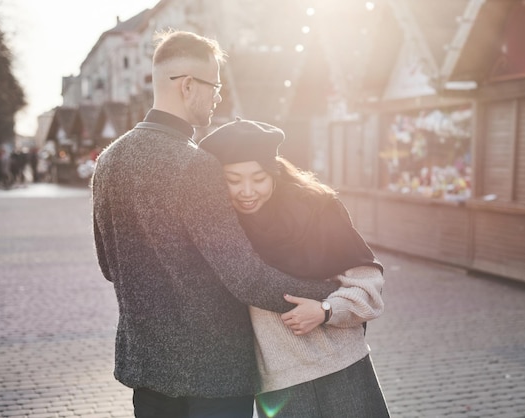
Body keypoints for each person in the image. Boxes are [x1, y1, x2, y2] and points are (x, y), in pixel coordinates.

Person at [90, 30, 339, 418]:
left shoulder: (108, 161)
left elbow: (109, 267)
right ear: (188, 86)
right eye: (214, 85)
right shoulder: (195, 166)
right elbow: (244, 276)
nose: (218, 96)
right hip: (213, 375)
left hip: (146, 366)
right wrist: (330, 293)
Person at [199, 118, 391, 418]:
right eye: (233, 180)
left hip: (344, 367)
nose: (246, 191)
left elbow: (368, 287)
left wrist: (326, 309)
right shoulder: (221, 229)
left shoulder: (318, 209)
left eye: (259, 178)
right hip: (279, 384)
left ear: (274, 173)